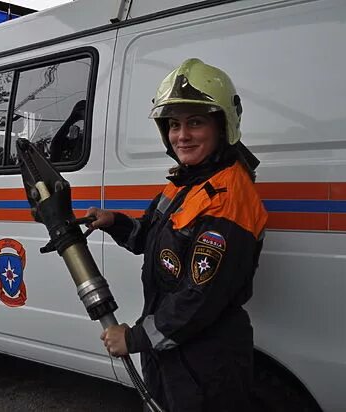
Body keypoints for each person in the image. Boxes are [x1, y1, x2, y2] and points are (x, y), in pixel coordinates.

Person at [86, 58, 268, 411]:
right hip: (172, 352)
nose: (182, 135)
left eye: (195, 122)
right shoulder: (186, 182)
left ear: (222, 126)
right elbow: (150, 238)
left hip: (205, 362)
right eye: (173, 125)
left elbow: (201, 299)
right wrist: (114, 222)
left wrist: (134, 338)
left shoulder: (229, 197)